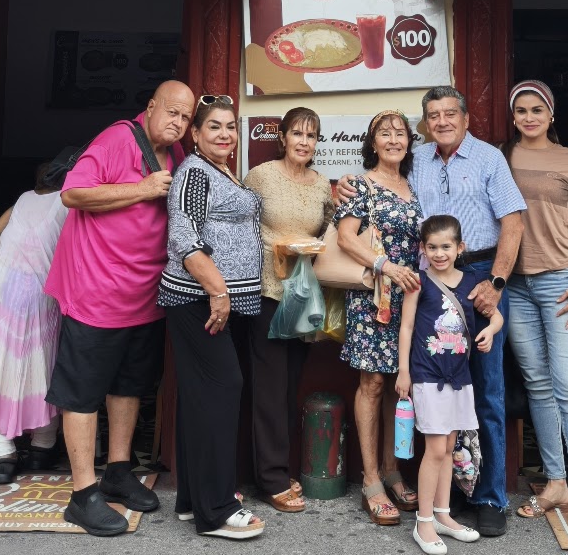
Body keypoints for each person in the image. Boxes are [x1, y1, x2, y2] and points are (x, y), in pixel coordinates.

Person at [338, 87, 525, 536]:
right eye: (433, 115)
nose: (442, 121)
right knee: (433, 382)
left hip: (477, 273)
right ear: (425, 124)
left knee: (485, 389)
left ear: (466, 118)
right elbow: (358, 209)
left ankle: (488, 496)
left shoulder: (489, 159)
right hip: (421, 283)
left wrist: (496, 283)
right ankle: (444, 493)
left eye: (450, 113)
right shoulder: (416, 159)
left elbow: (513, 223)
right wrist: (347, 182)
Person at [44, 81, 192, 537]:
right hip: (96, 291)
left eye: (185, 117)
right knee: (83, 392)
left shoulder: (177, 153)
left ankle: (118, 472)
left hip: (144, 294)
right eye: (171, 112)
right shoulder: (116, 139)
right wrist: (142, 188)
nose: (178, 123)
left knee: (129, 386)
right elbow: (73, 193)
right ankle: (82, 493)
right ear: (150, 107)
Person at [500, 80, 568, 547]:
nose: (529, 117)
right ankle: (555, 483)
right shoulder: (502, 157)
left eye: (536, 110)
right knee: (539, 386)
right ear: (513, 116)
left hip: (562, 282)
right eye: (521, 110)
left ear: (551, 114)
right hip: (516, 284)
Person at [159, 94, 269, 541]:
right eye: (214, 126)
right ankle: (218, 510)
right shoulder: (194, 172)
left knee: (202, 396)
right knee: (222, 389)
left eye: (230, 126)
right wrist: (218, 291)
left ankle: (194, 499)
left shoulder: (220, 170)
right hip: (197, 300)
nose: (225, 134)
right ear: (196, 134)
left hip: (216, 301)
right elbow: (183, 236)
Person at [333, 110, 423, 526]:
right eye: (384, 134)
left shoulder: (415, 185)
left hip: (412, 297)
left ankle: (392, 469)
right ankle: (371, 480)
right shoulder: (361, 185)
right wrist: (385, 265)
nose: (393, 140)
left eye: (400, 133)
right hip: (375, 295)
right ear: (372, 143)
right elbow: (345, 238)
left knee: (397, 384)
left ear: (409, 142)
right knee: (371, 382)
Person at [0, 160, 69, 484]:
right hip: (39, 289)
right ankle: (42, 446)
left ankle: (3, 452)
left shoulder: (22, 199)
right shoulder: (68, 203)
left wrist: (8, 264)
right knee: (41, 364)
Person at [243, 107, 333, 513]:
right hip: (266, 290)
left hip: (302, 295)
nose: (303, 142)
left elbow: (329, 231)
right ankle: (272, 479)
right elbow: (239, 226)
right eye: (297, 133)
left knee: (290, 383)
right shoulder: (261, 176)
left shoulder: (322, 184)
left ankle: (276, 468)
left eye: (311, 136)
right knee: (268, 386)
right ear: (282, 137)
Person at [397, 214, 504, 554]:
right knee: (435, 450)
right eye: (432, 247)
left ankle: (442, 514)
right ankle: (424, 521)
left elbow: (496, 315)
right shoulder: (419, 282)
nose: (439, 253)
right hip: (428, 376)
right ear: (423, 249)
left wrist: (491, 331)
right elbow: (407, 327)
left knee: (448, 449)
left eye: (446, 246)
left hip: (460, 378)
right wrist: (403, 371)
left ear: (460, 247)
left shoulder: (473, 281)